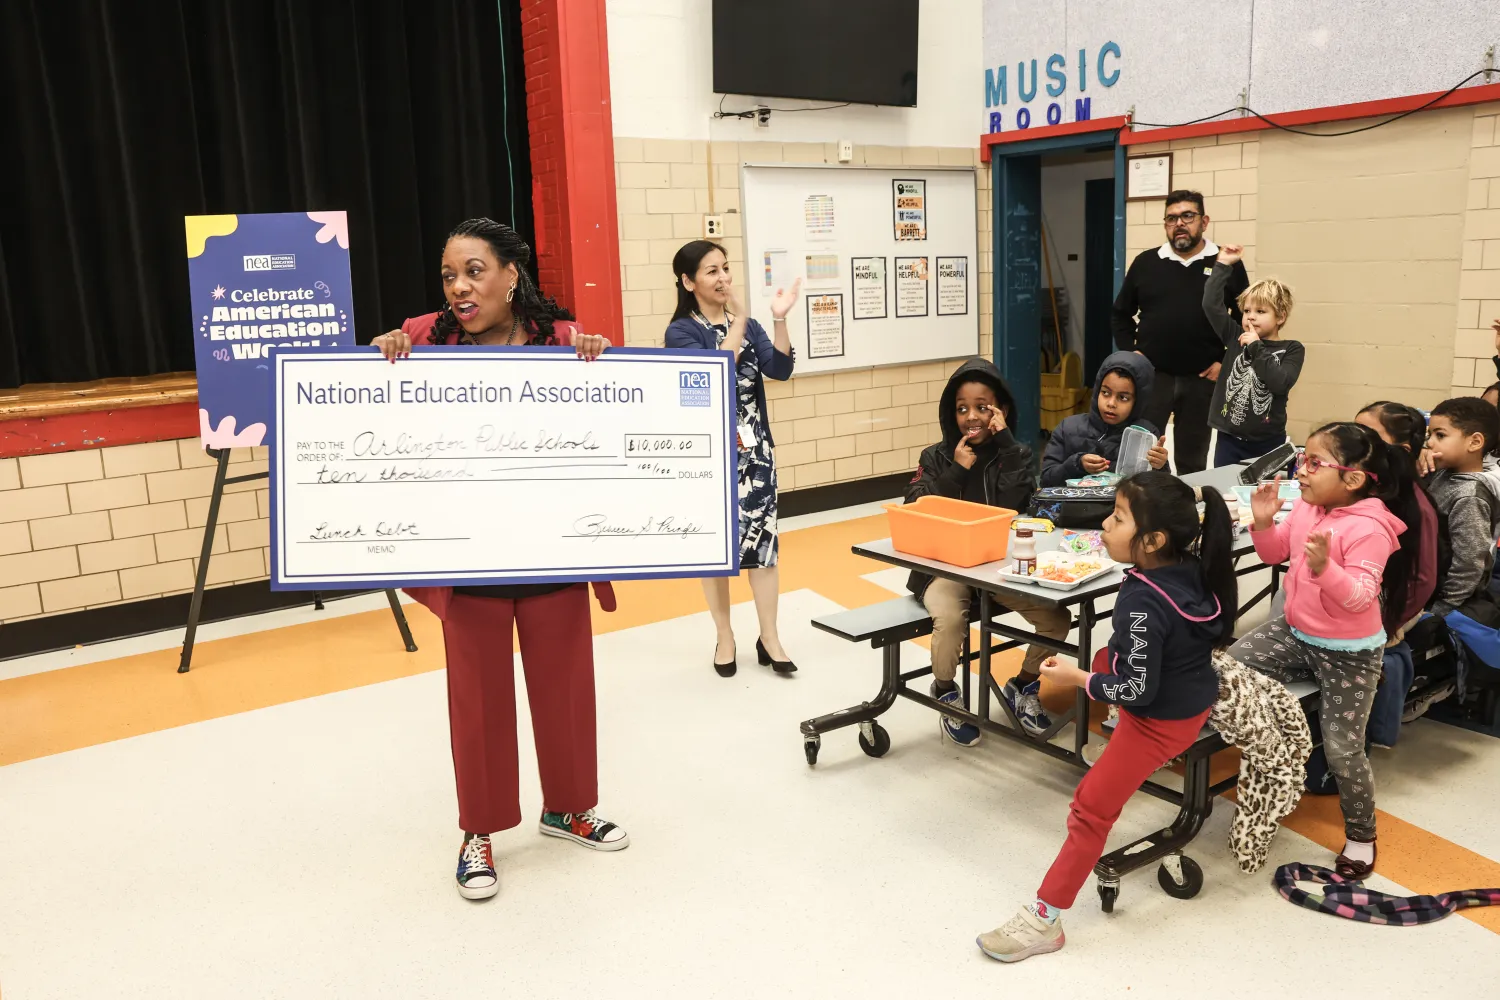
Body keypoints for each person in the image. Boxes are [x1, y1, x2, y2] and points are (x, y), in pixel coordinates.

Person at [371, 218, 626, 901]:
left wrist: (604, 358)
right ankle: (479, 832)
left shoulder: (566, 341)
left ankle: (568, 808)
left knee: (567, 688)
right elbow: (372, 401)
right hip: (471, 559)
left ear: (513, 275)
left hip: (553, 554)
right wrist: (380, 355)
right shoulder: (423, 338)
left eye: (474, 271)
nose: (459, 286)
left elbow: (618, 417)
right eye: (450, 274)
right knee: (477, 703)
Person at [975, 471, 1236, 963]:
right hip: (1190, 697)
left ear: (1153, 540)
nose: (1104, 525)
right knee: (1103, 664)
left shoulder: (1142, 603)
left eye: (1117, 518)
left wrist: (1077, 680)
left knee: (1090, 808)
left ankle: (1045, 919)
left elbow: (1136, 689)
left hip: (1158, 720)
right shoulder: (1190, 565)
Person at [1234, 422, 1426, 881]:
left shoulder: (1370, 528)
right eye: (1303, 458)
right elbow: (1275, 553)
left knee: (1343, 749)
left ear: (1353, 479)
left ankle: (1362, 833)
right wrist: (1263, 522)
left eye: (1315, 463)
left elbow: (1360, 596)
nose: (1301, 471)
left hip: (1348, 653)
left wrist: (1324, 568)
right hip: (1297, 631)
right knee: (1227, 668)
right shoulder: (1308, 506)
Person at [906, 359, 1069, 743]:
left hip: (998, 565)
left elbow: (1018, 504)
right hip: (943, 565)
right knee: (949, 621)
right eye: (962, 408)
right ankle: (945, 689)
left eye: (983, 407)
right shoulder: (935, 456)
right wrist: (956, 472)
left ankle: (1024, 686)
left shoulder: (1014, 454)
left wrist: (1009, 446)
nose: (972, 417)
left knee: (1056, 620)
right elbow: (917, 505)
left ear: (1002, 411)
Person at [664, 240, 800, 677]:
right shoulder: (681, 332)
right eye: (710, 271)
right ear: (688, 282)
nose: (723, 277)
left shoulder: (750, 323)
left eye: (725, 268)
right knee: (715, 549)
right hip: (711, 457)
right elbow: (712, 376)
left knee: (764, 548)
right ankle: (725, 635)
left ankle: (770, 636)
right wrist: (739, 323)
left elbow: (780, 369)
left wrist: (777, 319)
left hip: (755, 451)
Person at [1112, 190, 1250, 474]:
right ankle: (1143, 511)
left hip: (1202, 379)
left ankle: (1187, 513)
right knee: (1141, 455)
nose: (1179, 224)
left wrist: (1225, 362)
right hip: (1152, 378)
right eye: (1172, 218)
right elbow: (1120, 314)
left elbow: (1245, 319)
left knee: (1193, 458)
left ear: (1204, 221)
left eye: (1188, 216)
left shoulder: (1225, 263)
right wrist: (1132, 355)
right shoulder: (1146, 263)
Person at [1203, 246, 1304, 466]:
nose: (1251, 318)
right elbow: (1211, 305)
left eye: (1261, 312)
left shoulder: (1292, 349)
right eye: (1247, 311)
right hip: (1229, 439)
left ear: (1280, 317)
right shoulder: (1234, 336)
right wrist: (1222, 265)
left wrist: (1257, 347)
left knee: (1264, 493)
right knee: (1226, 492)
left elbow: (1280, 383)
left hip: (1268, 442)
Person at [1040, 351, 1169, 487]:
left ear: (1138, 402)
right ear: (1097, 391)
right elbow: (1046, 480)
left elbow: (1158, 492)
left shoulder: (1145, 434)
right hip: (1074, 507)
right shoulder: (1068, 428)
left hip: (1121, 507)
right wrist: (1076, 464)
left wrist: (1160, 466)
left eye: (1123, 397)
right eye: (1105, 393)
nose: (1111, 403)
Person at [1423, 397, 1500, 618]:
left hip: (1446, 607)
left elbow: (1469, 565)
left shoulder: (1469, 496)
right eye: (1430, 436)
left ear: (1474, 442)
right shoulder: (1443, 473)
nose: (1430, 443)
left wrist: (1441, 610)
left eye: (1440, 435)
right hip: (1430, 592)